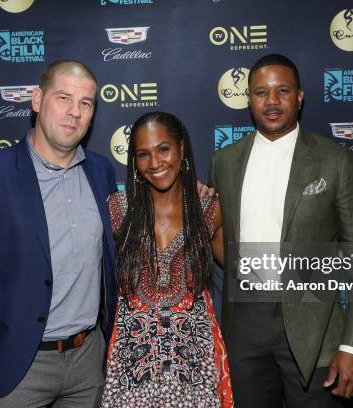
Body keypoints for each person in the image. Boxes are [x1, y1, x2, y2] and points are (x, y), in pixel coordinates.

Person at [0, 60, 118, 408]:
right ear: (36, 100)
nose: (74, 113)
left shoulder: (100, 171)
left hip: (88, 362)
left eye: (85, 103)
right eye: (63, 98)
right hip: (14, 365)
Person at [210, 54, 353, 407]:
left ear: (299, 97)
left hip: (314, 326)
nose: (272, 102)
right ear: (248, 99)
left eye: (282, 91)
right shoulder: (224, 162)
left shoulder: (336, 160)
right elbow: (222, 239)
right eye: (261, 92)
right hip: (244, 327)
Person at [101, 112, 233, 407]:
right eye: (143, 154)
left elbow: (247, 271)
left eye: (163, 149)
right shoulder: (116, 211)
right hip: (131, 370)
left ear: (182, 149)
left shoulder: (208, 208)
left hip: (193, 369)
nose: (155, 163)